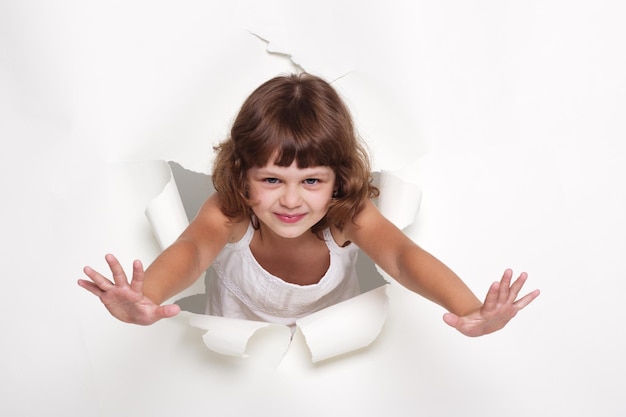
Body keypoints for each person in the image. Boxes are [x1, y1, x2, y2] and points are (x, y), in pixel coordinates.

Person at [78, 73, 539, 337]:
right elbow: (193, 251)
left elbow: (402, 258)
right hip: (237, 370)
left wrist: (470, 308)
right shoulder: (230, 213)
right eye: (272, 179)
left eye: (312, 180)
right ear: (242, 175)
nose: (292, 199)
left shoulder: (347, 216)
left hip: (329, 367)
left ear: (339, 178)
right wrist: (147, 296)